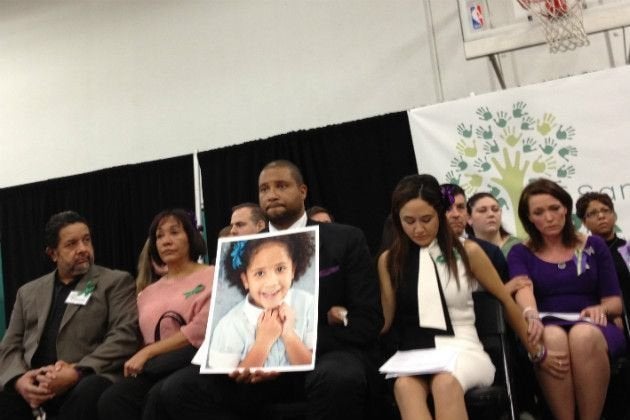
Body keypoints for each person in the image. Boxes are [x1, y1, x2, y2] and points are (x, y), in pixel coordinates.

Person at [150, 159, 382, 420]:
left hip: (326, 354)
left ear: (302, 191)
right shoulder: (240, 249)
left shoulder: (344, 239)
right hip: (253, 358)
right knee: (178, 389)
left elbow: (368, 321)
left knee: (339, 378)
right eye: (264, 189)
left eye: (281, 186)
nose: (272, 194)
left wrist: (281, 356)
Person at [378, 174, 538, 420]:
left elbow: (505, 301)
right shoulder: (390, 261)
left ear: (440, 214)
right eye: (408, 221)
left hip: (464, 348)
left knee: (445, 382)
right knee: (404, 386)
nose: (418, 229)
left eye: (426, 219)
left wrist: (536, 352)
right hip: (415, 353)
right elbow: (385, 320)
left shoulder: (467, 252)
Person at [0, 210, 138, 420]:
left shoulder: (115, 282)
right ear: (52, 253)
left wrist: (76, 371)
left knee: (88, 392)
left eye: (86, 240)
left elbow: (123, 337)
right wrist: (20, 380)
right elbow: (9, 346)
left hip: (88, 375)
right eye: (71, 244)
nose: (83, 249)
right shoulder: (27, 292)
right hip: (37, 379)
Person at [508, 178, 626, 420]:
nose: (549, 217)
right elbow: (522, 287)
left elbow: (615, 303)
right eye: (539, 212)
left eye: (554, 208)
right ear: (529, 218)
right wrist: (530, 313)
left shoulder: (594, 245)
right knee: (551, 336)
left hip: (596, 327)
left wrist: (600, 308)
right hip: (547, 323)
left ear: (565, 208)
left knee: (583, 334)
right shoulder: (520, 252)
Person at [98, 209, 213, 420]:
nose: (166, 241)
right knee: (113, 399)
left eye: (174, 232)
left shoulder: (212, 275)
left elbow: (200, 330)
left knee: (159, 396)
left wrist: (148, 353)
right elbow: (138, 337)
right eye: (159, 236)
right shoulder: (147, 293)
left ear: (191, 236)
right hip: (155, 368)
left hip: (193, 361)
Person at [208, 232, 316, 369]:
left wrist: (289, 334)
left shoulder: (308, 304)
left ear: (293, 270)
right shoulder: (230, 325)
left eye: (280, 269)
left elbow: (313, 366)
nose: (271, 282)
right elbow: (224, 383)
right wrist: (263, 343)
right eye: (260, 273)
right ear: (245, 280)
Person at [441, 183, 510, 282]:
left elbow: (505, 294)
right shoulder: (426, 252)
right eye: (447, 208)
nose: (456, 214)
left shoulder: (491, 252)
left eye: (460, 207)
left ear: (467, 214)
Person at [576, 192, 630, 311]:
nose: (601, 216)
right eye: (593, 213)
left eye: (605, 210)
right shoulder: (581, 255)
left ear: (614, 216)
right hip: (600, 318)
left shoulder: (627, 248)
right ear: (584, 222)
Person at [465, 192, 521, 257]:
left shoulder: (520, 246)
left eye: (495, 209)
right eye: (482, 210)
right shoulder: (464, 253)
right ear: (469, 218)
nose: (491, 214)